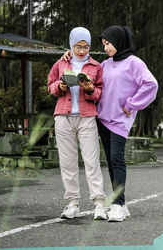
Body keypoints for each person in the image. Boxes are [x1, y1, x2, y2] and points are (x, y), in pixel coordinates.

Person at [62, 25, 158, 222]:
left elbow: (151, 85)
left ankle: (119, 204)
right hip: (103, 118)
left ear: (120, 41)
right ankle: (119, 202)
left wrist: (132, 104)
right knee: (111, 163)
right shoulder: (105, 64)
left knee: (117, 159)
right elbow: (90, 73)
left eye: (109, 43)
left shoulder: (134, 63)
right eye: (104, 44)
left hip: (121, 120)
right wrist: (68, 55)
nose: (106, 47)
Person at [48, 27, 107, 220]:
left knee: (92, 162)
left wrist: (90, 89)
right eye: (78, 46)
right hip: (63, 118)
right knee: (67, 163)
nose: (82, 51)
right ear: (71, 44)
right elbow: (51, 86)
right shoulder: (60, 63)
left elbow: (99, 92)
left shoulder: (96, 66)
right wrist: (60, 86)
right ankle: (72, 203)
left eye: (86, 46)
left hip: (87, 117)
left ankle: (99, 203)